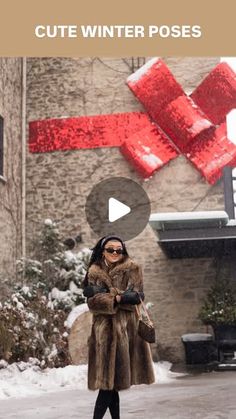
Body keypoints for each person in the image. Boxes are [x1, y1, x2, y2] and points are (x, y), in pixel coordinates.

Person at [83, 235, 155, 419]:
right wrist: (119, 298)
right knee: (109, 384)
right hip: (103, 332)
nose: (115, 253)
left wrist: (114, 297)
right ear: (102, 251)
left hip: (125, 332)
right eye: (110, 249)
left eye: (118, 250)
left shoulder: (133, 269)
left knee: (109, 385)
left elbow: (137, 297)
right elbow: (92, 303)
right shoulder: (94, 271)